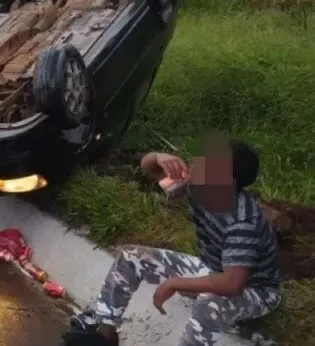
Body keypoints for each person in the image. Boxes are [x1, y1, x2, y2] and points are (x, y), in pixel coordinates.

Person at [62, 137, 282, 346]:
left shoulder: (243, 222)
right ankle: (104, 334)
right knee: (132, 257)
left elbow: (232, 283)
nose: (196, 162)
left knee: (210, 303)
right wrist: (157, 157)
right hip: (213, 268)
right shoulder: (197, 186)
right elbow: (148, 168)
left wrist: (174, 283)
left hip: (256, 290)